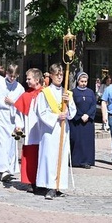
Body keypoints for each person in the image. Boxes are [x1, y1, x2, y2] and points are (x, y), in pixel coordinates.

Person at [35, 64, 77, 200]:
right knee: (49, 156)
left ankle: (59, 184)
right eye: (57, 74)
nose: (59, 77)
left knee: (62, 157)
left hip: (63, 129)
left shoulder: (67, 93)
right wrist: (55, 117)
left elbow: (73, 112)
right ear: (51, 76)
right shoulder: (45, 92)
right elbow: (41, 111)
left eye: (61, 75)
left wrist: (68, 103)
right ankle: (49, 185)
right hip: (50, 129)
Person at [0, 63, 24, 181]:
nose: (12, 78)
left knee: (10, 145)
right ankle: (0, 169)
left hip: (12, 118)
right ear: (6, 73)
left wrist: (19, 124)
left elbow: (21, 107)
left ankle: (7, 169)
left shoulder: (20, 88)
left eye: (14, 76)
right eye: (10, 75)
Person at [13, 68, 44, 192]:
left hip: (43, 130)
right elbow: (19, 113)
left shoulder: (45, 93)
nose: (26, 81)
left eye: (29, 79)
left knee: (42, 156)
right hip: (31, 131)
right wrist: (19, 125)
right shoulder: (26, 95)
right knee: (30, 156)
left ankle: (42, 181)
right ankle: (30, 181)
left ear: (37, 80)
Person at [69, 71, 96, 168]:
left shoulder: (90, 92)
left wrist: (88, 115)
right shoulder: (72, 92)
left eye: (85, 81)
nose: (84, 83)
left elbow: (93, 105)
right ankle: (76, 161)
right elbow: (72, 106)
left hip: (88, 122)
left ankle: (87, 161)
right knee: (77, 141)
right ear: (78, 81)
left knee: (87, 142)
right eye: (82, 81)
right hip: (77, 122)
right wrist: (80, 115)